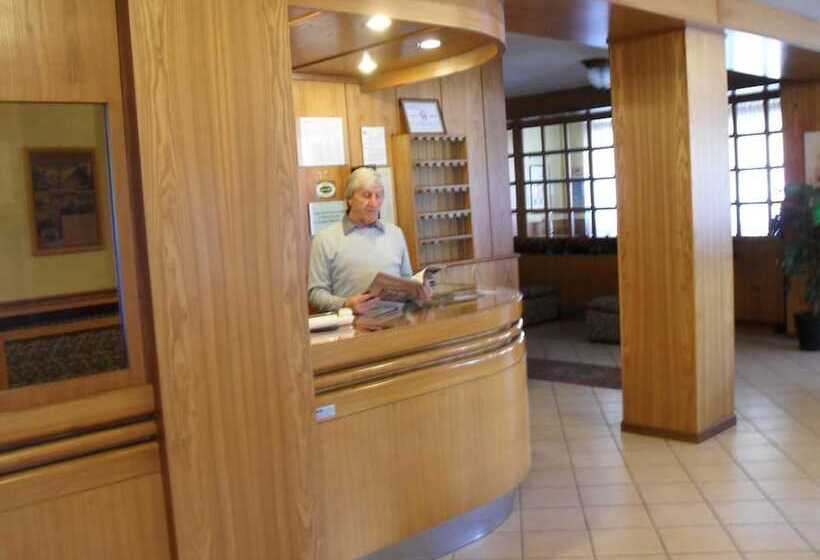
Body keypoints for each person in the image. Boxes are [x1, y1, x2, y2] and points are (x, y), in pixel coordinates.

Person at [308, 167, 416, 314]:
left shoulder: (395, 233)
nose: (374, 203)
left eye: (378, 196)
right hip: (352, 324)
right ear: (349, 199)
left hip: (397, 322)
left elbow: (407, 280)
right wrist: (346, 304)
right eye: (366, 195)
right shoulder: (325, 239)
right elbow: (315, 294)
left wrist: (418, 291)